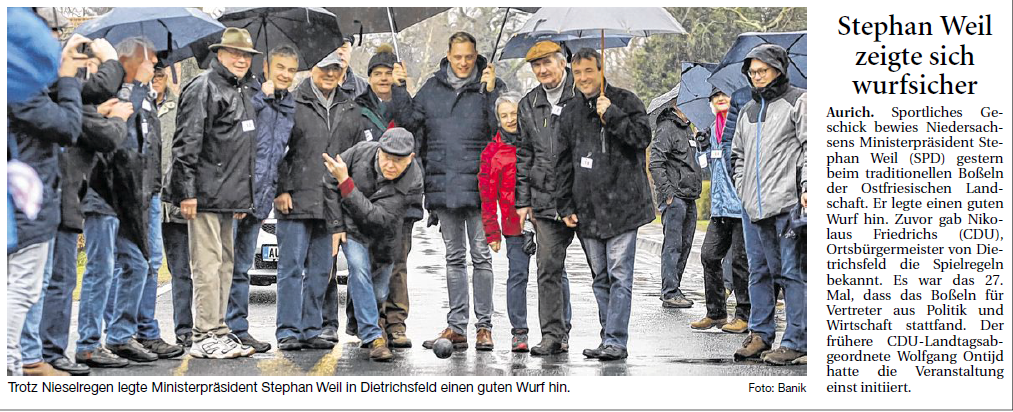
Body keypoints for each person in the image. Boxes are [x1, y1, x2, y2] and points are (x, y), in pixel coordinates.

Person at [393, 31, 505, 351]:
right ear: (448, 54)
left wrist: (492, 92)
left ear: (476, 54)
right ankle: (457, 326)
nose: (463, 63)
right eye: (457, 57)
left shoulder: (489, 84)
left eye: (468, 57)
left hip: (481, 187)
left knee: (481, 257)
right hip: (443, 186)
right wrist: (400, 89)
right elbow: (410, 124)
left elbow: (500, 128)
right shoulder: (431, 88)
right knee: (454, 258)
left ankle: (484, 327)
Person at [555, 48, 653, 361]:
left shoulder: (626, 101)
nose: (583, 78)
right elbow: (562, 162)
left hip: (624, 207)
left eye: (589, 71)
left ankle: (616, 340)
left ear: (601, 70)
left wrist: (611, 114)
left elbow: (641, 138)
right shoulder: (569, 111)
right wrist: (564, 204)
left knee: (620, 276)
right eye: (578, 72)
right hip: (588, 210)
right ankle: (606, 335)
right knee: (600, 278)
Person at [168, 27, 260, 359]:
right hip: (203, 195)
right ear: (218, 54)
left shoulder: (239, 90)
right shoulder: (204, 86)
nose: (241, 60)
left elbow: (242, 150)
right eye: (235, 53)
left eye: (246, 55)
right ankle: (203, 334)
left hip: (227, 198)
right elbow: (186, 143)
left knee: (223, 264)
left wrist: (241, 199)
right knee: (206, 266)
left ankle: (219, 329)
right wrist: (186, 191)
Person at [38, 42, 127, 376]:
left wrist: (99, 112)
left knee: (55, 279)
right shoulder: (57, 86)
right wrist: (112, 60)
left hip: (66, 195)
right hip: (56, 198)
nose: (87, 70)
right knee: (55, 280)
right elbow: (102, 135)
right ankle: (46, 352)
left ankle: (44, 351)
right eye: (81, 62)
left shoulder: (64, 92)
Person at [100, 37, 184, 364]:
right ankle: (123, 330)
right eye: (150, 62)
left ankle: (145, 330)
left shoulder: (147, 97)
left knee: (149, 263)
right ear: (135, 63)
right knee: (130, 263)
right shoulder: (125, 95)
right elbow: (123, 147)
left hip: (150, 190)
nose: (156, 67)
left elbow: (153, 148)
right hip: (129, 192)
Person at [273, 52, 365, 351]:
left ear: (343, 71)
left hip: (331, 203)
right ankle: (288, 330)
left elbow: (357, 157)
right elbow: (276, 149)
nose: (330, 73)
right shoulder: (290, 102)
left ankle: (312, 329)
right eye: (325, 67)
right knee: (290, 269)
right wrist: (280, 189)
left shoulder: (352, 108)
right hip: (295, 199)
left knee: (321, 271)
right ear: (313, 68)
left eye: (336, 68)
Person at [7, 31, 86, 376]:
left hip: (30, 200)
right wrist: (67, 78)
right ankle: (13, 362)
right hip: (26, 202)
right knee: (23, 288)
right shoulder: (19, 86)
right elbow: (67, 126)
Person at [730, 43, 807, 365]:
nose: (757, 76)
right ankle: (760, 335)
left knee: (791, 273)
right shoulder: (747, 110)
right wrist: (742, 189)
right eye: (753, 71)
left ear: (778, 70)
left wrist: (808, 187)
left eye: (763, 70)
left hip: (787, 204)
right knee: (757, 272)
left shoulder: (799, 101)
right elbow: (737, 155)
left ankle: (797, 340)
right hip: (753, 208)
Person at [322, 128, 423, 361]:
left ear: (410, 158)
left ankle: (360, 321)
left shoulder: (413, 180)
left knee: (378, 291)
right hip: (352, 228)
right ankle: (373, 337)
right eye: (387, 157)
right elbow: (328, 178)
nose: (390, 165)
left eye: (398, 161)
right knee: (358, 271)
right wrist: (336, 225)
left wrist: (345, 182)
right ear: (378, 150)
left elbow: (377, 218)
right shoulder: (359, 152)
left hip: (384, 236)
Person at [343, 44, 421, 348]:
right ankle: (367, 322)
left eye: (389, 73)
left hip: (401, 198)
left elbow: (416, 128)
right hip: (364, 198)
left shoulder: (405, 104)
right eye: (377, 73)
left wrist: (404, 91)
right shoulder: (358, 106)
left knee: (396, 261)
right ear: (370, 77)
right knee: (363, 264)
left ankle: (395, 322)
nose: (383, 78)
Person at [225, 45, 300, 354]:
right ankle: (214, 329)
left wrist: (279, 188)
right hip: (235, 195)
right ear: (267, 66)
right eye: (280, 67)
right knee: (223, 266)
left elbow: (283, 155)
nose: (285, 74)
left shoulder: (289, 105)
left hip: (262, 196)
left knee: (242, 267)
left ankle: (238, 328)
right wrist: (261, 97)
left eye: (291, 70)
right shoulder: (247, 93)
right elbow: (231, 133)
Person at [514, 41, 576, 356]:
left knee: (603, 272)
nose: (542, 71)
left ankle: (612, 337)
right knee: (547, 267)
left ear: (563, 62)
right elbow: (523, 155)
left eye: (547, 63)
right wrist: (522, 201)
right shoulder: (528, 104)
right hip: (545, 200)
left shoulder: (584, 95)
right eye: (536, 66)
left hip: (582, 197)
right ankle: (553, 335)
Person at [689, 88, 751, 334]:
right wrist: (701, 147)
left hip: (741, 206)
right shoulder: (711, 129)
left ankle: (745, 315)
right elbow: (704, 168)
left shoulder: (741, 125)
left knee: (740, 262)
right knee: (709, 256)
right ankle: (715, 313)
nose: (720, 99)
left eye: (724, 94)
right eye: (714, 96)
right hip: (720, 208)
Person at [479, 93, 532, 352]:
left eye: (514, 113)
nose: (511, 119)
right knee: (518, 276)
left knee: (555, 276)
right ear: (498, 120)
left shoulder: (536, 141)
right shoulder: (492, 152)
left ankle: (558, 331)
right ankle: (519, 332)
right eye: (505, 115)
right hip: (514, 226)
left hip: (544, 218)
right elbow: (487, 196)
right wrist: (492, 231)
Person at [154, 64, 193, 348]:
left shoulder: (179, 108)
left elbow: (187, 154)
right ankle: (141, 331)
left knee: (181, 271)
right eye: (152, 74)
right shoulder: (131, 104)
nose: (156, 80)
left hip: (175, 203)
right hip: (144, 203)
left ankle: (185, 329)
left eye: (160, 74)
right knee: (143, 268)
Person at [649, 105, 701, 309]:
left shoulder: (688, 129)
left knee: (685, 244)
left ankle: (675, 288)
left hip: (690, 195)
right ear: (677, 106)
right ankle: (669, 291)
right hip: (675, 197)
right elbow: (656, 163)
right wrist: (667, 193)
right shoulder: (667, 127)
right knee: (673, 245)